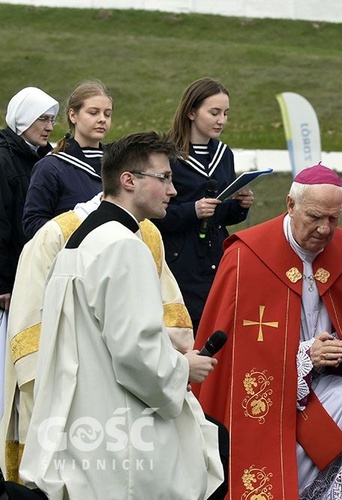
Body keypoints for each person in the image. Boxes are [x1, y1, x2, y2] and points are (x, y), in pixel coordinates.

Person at [18, 132, 223, 499]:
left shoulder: (81, 240)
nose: (173, 191)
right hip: (123, 435)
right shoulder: (124, 247)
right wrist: (184, 368)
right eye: (164, 178)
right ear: (128, 180)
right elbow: (136, 353)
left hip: (87, 420)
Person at [193, 164, 342, 499]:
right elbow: (235, 352)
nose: (324, 229)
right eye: (315, 217)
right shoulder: (247, 256)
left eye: (333, 219)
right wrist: (306, 354)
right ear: (290, 205)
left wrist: (339, 350)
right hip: (262, 392)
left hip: (322, 385)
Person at [0, 192, 193, 483]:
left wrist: (172, 356)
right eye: (163, 177)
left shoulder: (147, 233)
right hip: (69, 376)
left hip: (131, 380)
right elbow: (29, 319)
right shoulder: (56, 234)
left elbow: (169, 312)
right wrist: (47, 385)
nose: (172, 191)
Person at [153, 77, 254, 333]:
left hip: (217, 257)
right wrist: (193, 210)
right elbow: (154, 215)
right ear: (191, 112)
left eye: (225, 113)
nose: (222, 120)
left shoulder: (224, 154)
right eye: (214, 112)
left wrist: (240, 206)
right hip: (181, 262)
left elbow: (222, 215)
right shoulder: (168, 156)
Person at [23, 80, 113, 237]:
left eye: (107, 114)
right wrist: (78, 226)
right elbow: (32, 223)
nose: (102, 119)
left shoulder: (118, 163)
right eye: (93, 112)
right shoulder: (51, 166)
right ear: (73, 115)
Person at [0, 87, 58, 312]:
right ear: (23, 119)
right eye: (43, 119)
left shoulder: (44, 156)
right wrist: (3, 282)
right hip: (13, 280)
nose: (50, 127)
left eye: (52, 119)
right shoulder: (4, 160)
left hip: (37, 273)